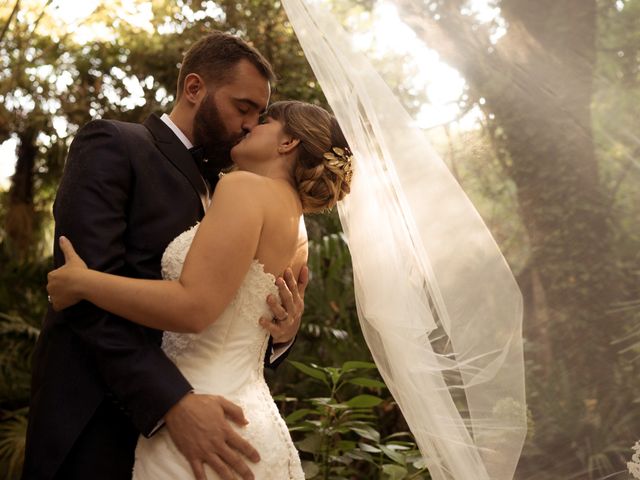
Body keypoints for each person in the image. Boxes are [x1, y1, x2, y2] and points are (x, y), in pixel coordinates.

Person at [22, 32, 308, 480]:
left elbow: (227, 308)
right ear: (194, 89)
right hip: (97, 418)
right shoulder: (115, 144)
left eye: (259, 115)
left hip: (202, 426)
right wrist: (171, 403)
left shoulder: (236, 187)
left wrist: (280, 329)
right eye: (243, 107)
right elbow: (82, 295)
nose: (251, 125)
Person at [46, 100, 353, 479]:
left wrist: (84, 282)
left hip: (202, 414)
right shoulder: (297, 224)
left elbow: (194, 308)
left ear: (287, 142)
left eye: (263, 120)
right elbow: (249, 314)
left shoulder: (244, 188)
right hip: (249, 416)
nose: (249, 126)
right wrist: (285, 331)